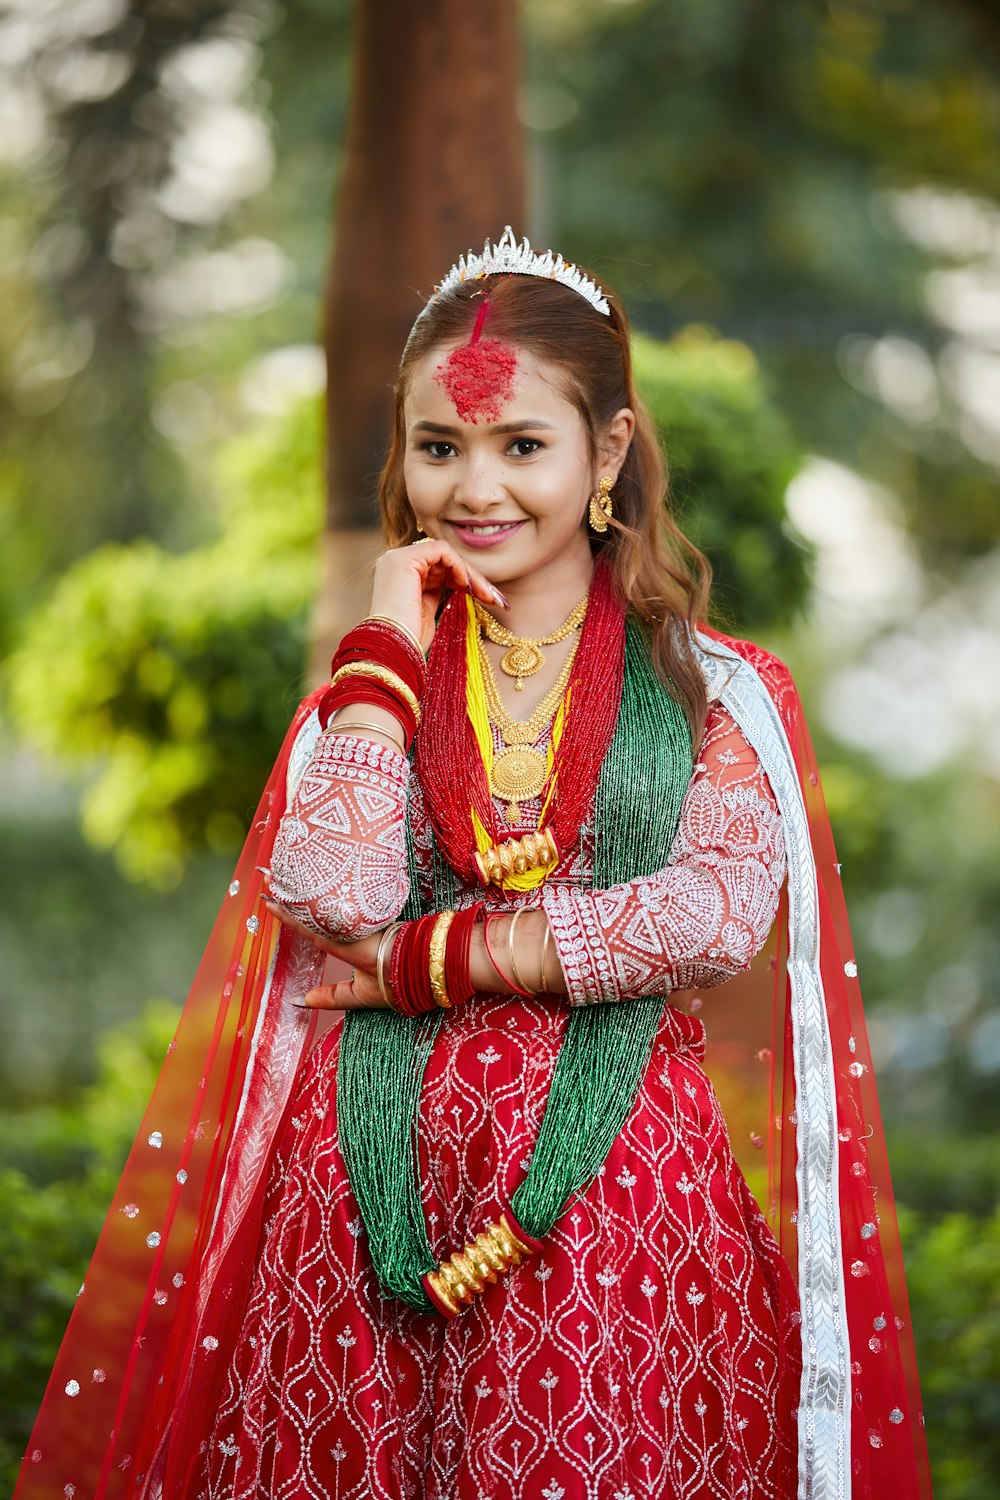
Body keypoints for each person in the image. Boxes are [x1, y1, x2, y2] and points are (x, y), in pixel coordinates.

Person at [15, 229, 932, 1500]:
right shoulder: (374, 687)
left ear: (607, 452)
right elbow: (332, 892)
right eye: (438, 447)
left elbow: (711, 914)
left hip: (611, 1210)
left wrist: (428, 960)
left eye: (522, 446)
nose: (475, 488)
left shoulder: (718, 687)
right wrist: (387, 642)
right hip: (358, 1206)